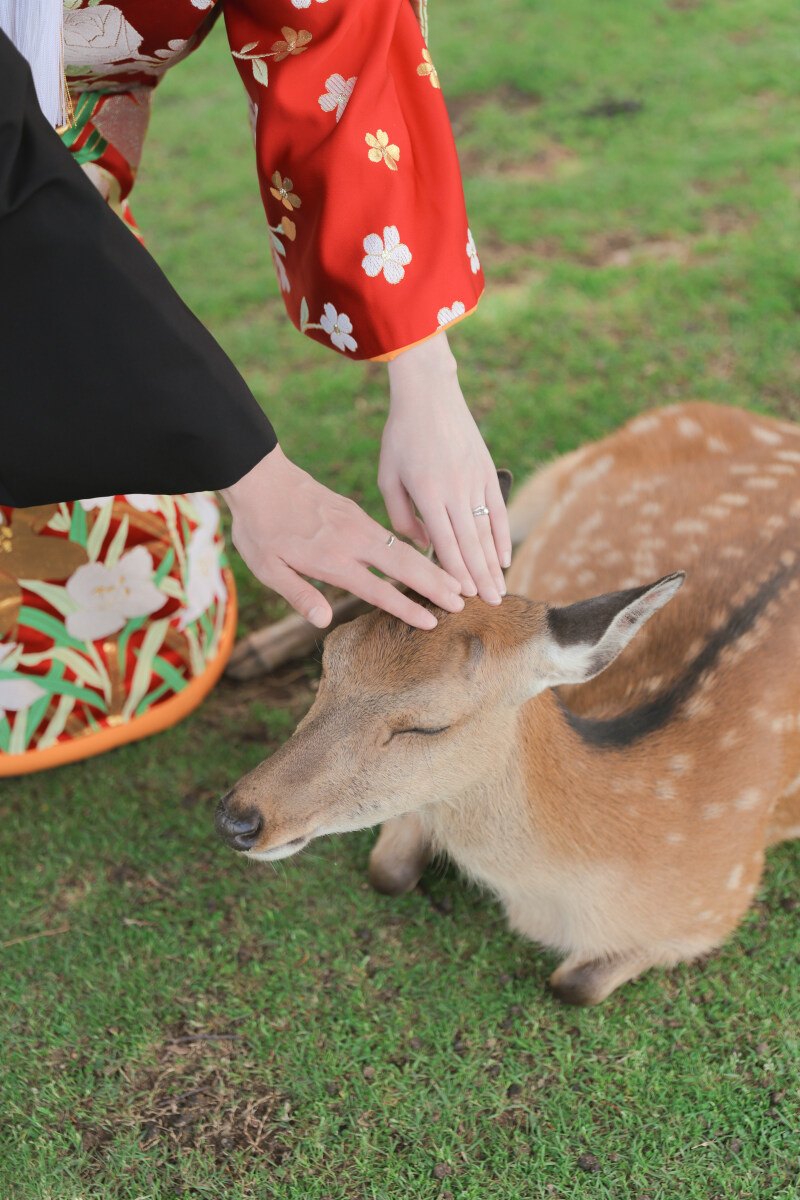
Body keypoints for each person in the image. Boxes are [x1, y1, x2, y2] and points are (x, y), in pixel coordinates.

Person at [0, 2, 510, 775]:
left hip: (71, 200)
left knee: (105, 574)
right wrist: (256, 478)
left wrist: (427, 378)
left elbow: (338, 34)